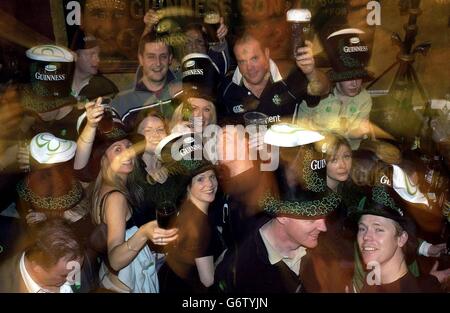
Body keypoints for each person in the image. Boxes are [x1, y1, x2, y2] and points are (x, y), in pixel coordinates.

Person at [74, 98, 178, 292]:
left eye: (128, 146)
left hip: (114, 278)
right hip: (127, 282)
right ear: (103, 159)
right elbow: (116, 259)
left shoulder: (104, 185)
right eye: (117, 149)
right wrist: (144, 232)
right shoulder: (116, 198)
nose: (128, 153)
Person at [215, 135, 341, 293]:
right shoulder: (240, 274)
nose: (323, 227)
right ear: (282, 215)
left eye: (323, 215)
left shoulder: (327, 249)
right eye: (311, 219)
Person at [217, 32, 330, 124]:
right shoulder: (227, 88)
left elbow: (323, 89)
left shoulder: (289, 77)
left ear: (266, 54)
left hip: (285, 150)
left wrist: (311, 71)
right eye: (242, 61)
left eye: (254, 58)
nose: (249, 67)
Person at [157, 132, 221, 293]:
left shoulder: (186, 210)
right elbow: (208, 280)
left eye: (212, 176)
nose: (210, 183)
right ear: (187, 186)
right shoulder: (199, 225)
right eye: (200, 179)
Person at [352, 186, 443, 292]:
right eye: (362, 228)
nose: (366, 236)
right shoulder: (372, 279)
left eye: (378, 229)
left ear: (401, 239)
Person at [297, 28, 373, 150]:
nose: (355, 83)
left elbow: (361, 132)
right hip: (318, 155)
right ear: (338, 77)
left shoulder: (364, 98)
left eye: (359, 78)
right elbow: (299, 127)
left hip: (350, 156)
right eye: (349, 78)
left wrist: (357, 132)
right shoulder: (317, 93)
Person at [0, 218, 84, 293]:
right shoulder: (5, 287)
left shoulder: (75, 260)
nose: (75, 279)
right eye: (64, 275)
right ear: (37, 268)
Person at [111, 33, 181, 121]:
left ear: (170, 59)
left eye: (163, 56)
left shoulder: (183, 90)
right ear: (141, 59)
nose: (158, 63)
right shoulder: (122, 101)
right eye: (151, 57)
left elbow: (198, 125)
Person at [70, 30, 118, 101]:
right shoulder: (61, 84)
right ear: (75, 55)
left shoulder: (105, 88)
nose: (98, 59)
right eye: (91, 54)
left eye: (98, 54)